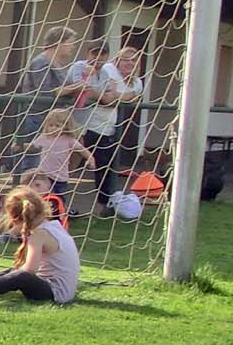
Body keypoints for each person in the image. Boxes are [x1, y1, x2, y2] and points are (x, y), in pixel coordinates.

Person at [80, 44, 146, 210]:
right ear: (117, 61)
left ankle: (106, 205)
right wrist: (120, 96)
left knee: (107, 164)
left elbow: (133, 97)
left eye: (133, 61)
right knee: (79, 161)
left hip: (109, 127)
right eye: (126, 60)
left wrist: (118, 95)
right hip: (89, 123)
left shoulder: (137, 82)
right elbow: (107, 98)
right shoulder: (108, 70)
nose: (130, 63)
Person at [12, 26, 84, 156]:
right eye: (70, 42)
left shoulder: (59, 64)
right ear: (58, 42)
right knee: (31, 159)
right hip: (36, 118)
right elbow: (45, 91)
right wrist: (75, 87)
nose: (73, 47)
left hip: (53, 120)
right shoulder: (41, 62)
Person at [27, 107, 95, 199]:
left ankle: (61, 207)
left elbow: (82, 150)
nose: (53, 128)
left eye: (57, 126)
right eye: (51, 125)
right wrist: (20, 147)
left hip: (60, 178)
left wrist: (91, 159)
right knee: (42, 197)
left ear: (65, 126)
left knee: (59, 198)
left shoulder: (69, 140)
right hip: (44, 175)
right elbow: (31, 147)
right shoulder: (44, 137)